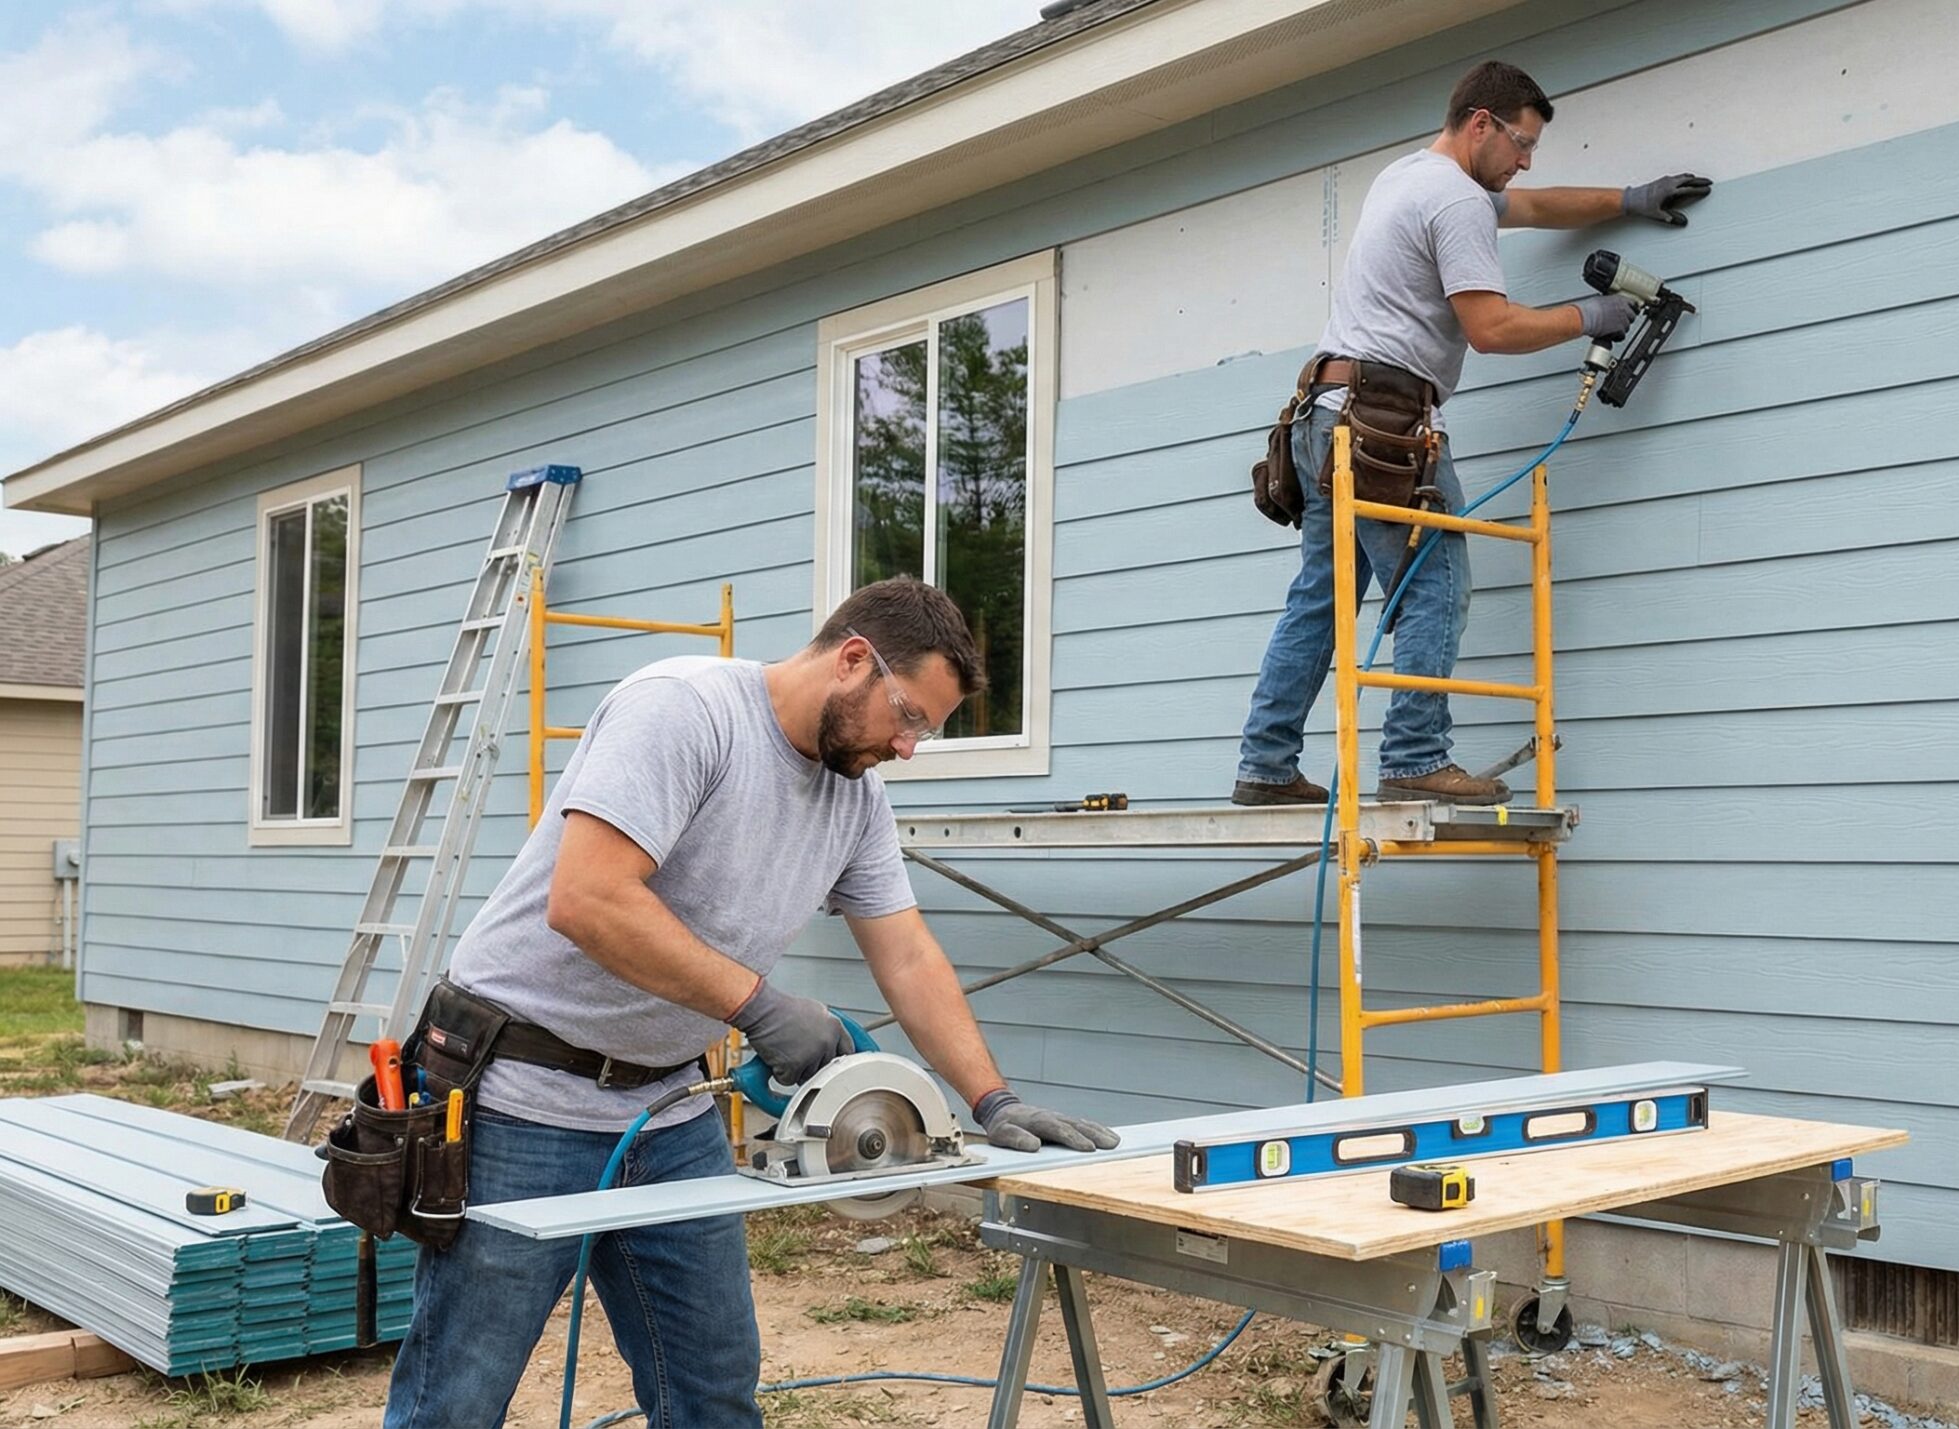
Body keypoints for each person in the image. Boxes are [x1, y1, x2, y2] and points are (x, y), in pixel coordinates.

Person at [384, 575, 1118, 1428]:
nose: (911, 746)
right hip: (520, 1094)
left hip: (665, 1104)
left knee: (714, 1391)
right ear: (853, 660)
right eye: (910, 716)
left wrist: (994, 1097)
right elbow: (588, 898)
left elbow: (909, 953)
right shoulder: (684, 710)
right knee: (458, 1398)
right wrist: (760, 1006)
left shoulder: (855, 796)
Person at [1232, 59, 1713, 807]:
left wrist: (1627, 199)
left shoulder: (1409, 176)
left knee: (1321, 602)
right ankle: (1416, 756)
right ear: (1480, 123)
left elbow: (1531, 207)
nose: (1524, 160)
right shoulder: (1456, 201)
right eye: (1520, 142)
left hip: (1324, 414)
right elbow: (1489, 328)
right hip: (1384, 425)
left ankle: (1264, 766)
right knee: (1437, 581)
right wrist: (1586, 318)